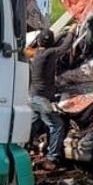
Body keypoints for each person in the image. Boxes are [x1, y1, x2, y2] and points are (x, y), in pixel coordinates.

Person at [29, 30, 68, 170]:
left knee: (32, 126)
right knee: (57, 125)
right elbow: (65, 48)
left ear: (39, 42)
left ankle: (23, 149)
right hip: (42, 99)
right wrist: (73, 32)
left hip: (33, 97)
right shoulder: (49, 53)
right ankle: (52, 159)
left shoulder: (37, 54)